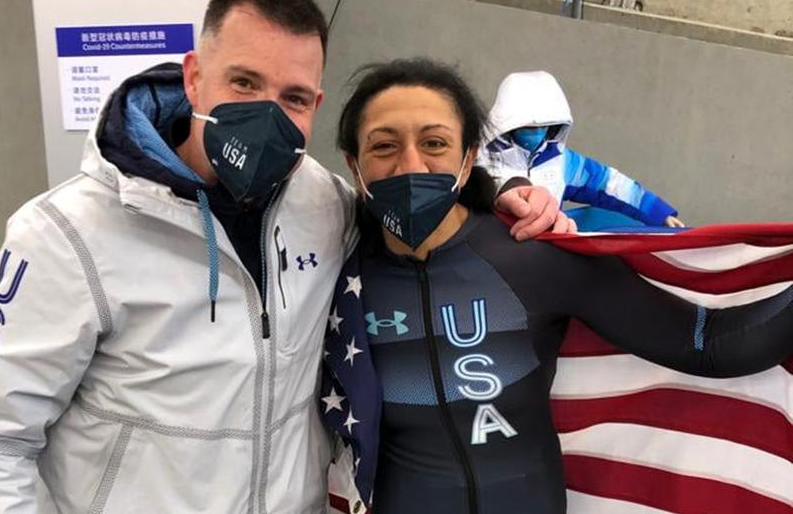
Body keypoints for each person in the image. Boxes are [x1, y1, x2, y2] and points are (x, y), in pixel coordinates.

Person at [0, 0, 567, 513]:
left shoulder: (325, 205)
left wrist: (497, 192)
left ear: (315, 105)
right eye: (243, 82)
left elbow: (414, 210)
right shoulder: (66, 233)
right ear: (193, 77)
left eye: (292, 97)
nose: (267, 112)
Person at [321, 58, 793, 513]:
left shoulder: (535, 255)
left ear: (468, 162)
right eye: (384, 146)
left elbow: (708, 344)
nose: (411, 166)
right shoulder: (334, 271)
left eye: (435, 144)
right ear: (353, 164)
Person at [478, 70, 685, 228]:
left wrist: (659, 213)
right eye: (529, 127)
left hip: (541, 258)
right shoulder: (476, 157)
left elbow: (610, 184)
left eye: (544, 126)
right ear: (507, 122)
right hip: (486, 260)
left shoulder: (563, 163)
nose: (537, 131)